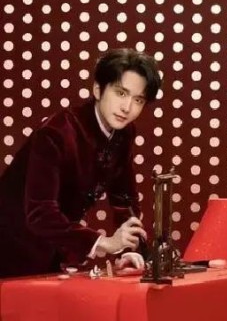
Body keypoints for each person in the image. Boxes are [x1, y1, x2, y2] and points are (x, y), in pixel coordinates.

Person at [0, 48, 162, 278]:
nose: (127, 108)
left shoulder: (123, 133)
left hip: (51, 252)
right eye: (120, 93)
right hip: (9, 245)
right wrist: (103, 243)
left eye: (138, 100)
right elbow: (40, 213)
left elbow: (124, 200)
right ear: (97, 89)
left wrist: (127, 249)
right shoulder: (56, 132)